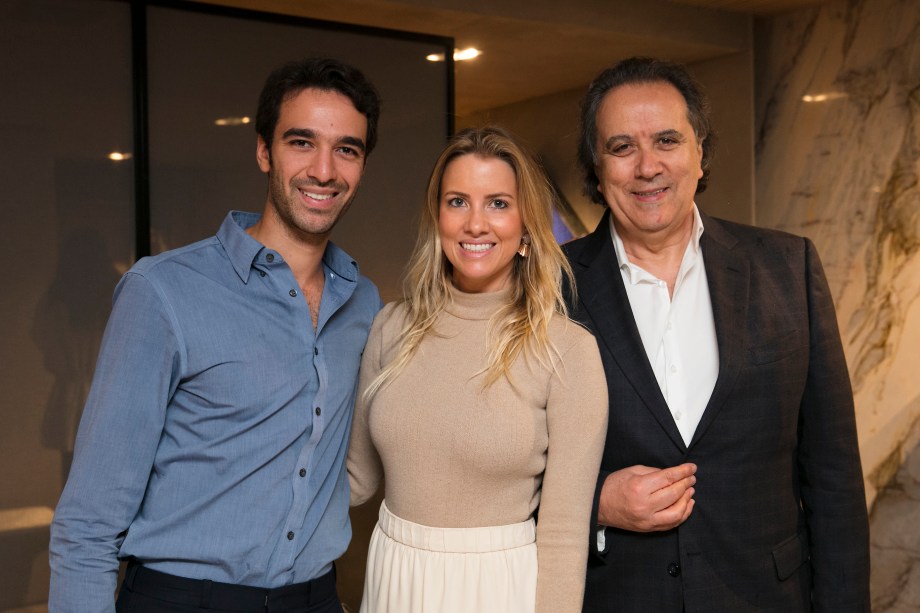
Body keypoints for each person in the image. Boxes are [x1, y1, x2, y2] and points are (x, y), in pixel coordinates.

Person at [49, 57, 383, 613]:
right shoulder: (162, 292)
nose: (324, 170)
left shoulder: (363, 302)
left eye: (346, 148)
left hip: (315, 597)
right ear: (262, 151)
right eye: (301, 142)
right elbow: (88, 522)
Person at [564, 56, 870, 612]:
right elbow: (498, 472)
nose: (647, 166)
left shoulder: (787, 267)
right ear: (596, 164)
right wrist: (596, 503)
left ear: (700, 151)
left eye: (667, 140)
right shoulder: (546, 289)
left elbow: (833, 478)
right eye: (621, 147)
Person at [347, 126, 608, 613]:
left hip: (498, 588)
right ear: (437, 216)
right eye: (458, 201)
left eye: (498, 203)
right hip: (392, 578)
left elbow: (564, 531)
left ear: (526, 222)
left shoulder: (567, 351)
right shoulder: (391, 326)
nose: (475, 224)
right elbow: (354, 479)